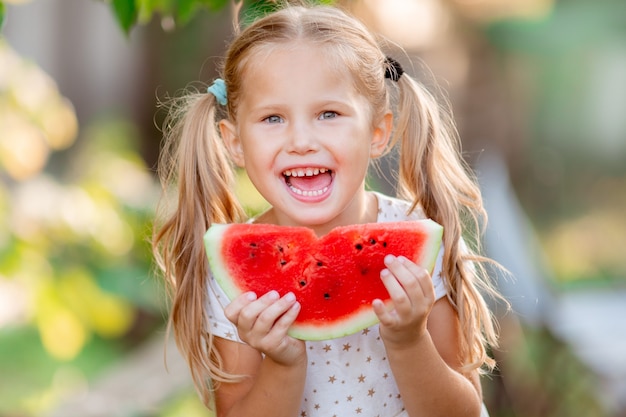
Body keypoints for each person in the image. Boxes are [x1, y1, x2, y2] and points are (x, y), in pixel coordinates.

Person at [152, 4, 502, 417]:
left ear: (378, 132)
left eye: (329, 114)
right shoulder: (230, 281)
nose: (301, 140)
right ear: (234, 143)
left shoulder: (423, 252)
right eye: (273, 118)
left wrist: (410, 341)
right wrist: (282, 362)